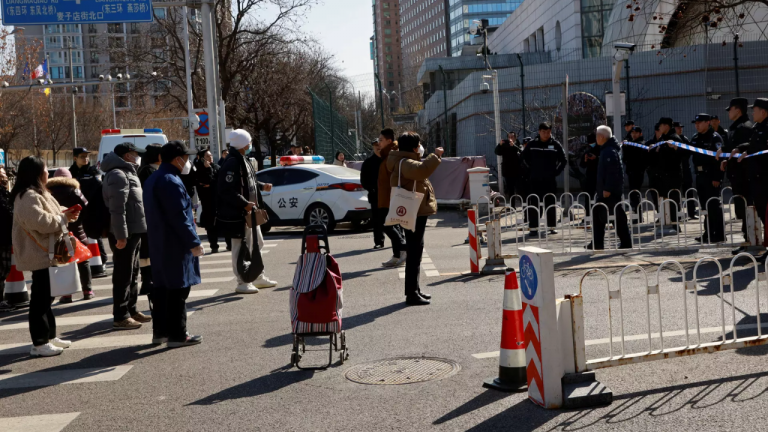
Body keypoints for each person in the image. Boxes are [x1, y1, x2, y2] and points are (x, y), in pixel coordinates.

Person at [11, 156, 80, 357]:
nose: (48, 172)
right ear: (36, 173)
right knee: (40, 300)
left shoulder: (38, 193)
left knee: (47, 297)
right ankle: (39, 343)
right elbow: (41, 222)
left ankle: (49, 336)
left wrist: (67, 214)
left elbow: (54, 215)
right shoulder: (28, 196)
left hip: (47, 252)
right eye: (46, 169)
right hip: (39, 252)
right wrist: (64, 218)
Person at [143, 141, 203, 348]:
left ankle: (160, 332)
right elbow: (179, 217)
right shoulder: (170, 180)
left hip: (160, 242)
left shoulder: (154, 178)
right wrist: (194, 242)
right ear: (177, 158)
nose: (187, 162)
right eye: (185, 158)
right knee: (178, 290)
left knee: (161, 289)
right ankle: (178, 334)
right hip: (174, 244)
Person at [217, 129, 277, 293]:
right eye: (249, 142)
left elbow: (248, 182)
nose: (250, 145)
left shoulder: (242, 159)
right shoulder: (232, 162)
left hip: (249, 212)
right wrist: (244, 203)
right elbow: (226, 190)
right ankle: (242, 281)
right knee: (240, 247)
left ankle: (257, 276)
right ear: (243, 144)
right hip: (239, 214)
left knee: (257, 243)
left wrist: (261, 186)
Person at [387, 132, 443, 306]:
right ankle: (412, 293)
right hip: (414, 211)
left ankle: (414, 290)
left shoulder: (403, 160)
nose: (420, 147)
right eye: (418, 144)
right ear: (413, 147)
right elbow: (422, 171)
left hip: (415, 210)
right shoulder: (405, 162)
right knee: (414, 251)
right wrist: (436, 156)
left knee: (416, 250)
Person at [102, 143, 151, 330]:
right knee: (123, 274)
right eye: (135, 153)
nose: (137, 156)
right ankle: (120, 315)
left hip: (134, 230)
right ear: (127, 155)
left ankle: (131, 309)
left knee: (133, 272)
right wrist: (121, 236)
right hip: (125, 233)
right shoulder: (118, 175)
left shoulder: (129, 173)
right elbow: (117, 209)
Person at [47, 168, 95, 304]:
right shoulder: (76, 191)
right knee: (83, 261)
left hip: (58, 232)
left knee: (62, 261)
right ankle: (88, 290)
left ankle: (67, 294)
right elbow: (86, 208)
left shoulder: (49, 192)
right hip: (77, 231)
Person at [587, 126, 631, 250]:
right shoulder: (606, 149)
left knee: (617, 217)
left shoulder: (609, 151)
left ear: (601, 137)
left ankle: (626, 242)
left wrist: (608, 189)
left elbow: (613, 172)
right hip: (605, 192)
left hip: (609, 193)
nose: (596, 139)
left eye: (596, 136)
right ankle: (597, 242)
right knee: (598, 215)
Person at [730, 98, 768, 238]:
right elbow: (753, 146)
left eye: (755, 110)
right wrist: (740, 148)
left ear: (763, 112)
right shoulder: (758, 128)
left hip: (765, 178)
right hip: (757, 179)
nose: (752, 114)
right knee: (764, 216)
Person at [720, 97, 754, 254]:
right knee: (742, 209)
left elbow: (746, 153)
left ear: (738, 110)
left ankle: (751, 240)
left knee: (747, 208)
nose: (728, 112)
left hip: (745, 177)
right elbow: (732, 150)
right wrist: (727, 161)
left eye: (731, 109)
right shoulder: (735, 128)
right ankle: (748, 239)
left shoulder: (745, 128)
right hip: (737, 176)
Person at [520, 122, 567, 235]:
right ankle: (533, 228)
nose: (546, 134)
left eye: (548, 132)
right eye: (544, 132)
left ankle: (551, 226)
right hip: (535, 180)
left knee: (550, 203)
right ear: (539, 132)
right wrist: (529, 172)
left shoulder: (555, 145)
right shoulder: (532, 144)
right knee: (534, 204)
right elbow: (522, 159)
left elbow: (563, 160)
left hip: (549, 180)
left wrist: (555, 172)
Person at [689, 114, 725, 243]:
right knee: (705, 207)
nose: (697, 125)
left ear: (707, 122)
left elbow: (719, 159)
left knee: (714, 205)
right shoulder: (695, 137)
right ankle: (708, 232)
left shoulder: (714, 138)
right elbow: (687, 151)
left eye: (699, 122)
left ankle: (719, 234)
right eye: (696, 123)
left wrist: (717, 177)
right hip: (700, 176)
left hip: (711, 177)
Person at [376, 129, 407, 267]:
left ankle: (403, 248)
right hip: (385, 197)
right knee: (390, 225)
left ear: (389, 141)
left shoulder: (391, 155)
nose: (378, 142)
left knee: (387, 225)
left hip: (390, 198)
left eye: (381, 140)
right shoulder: (386, 155)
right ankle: (397, 255)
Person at [137, 144, 163, 294]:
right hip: (150, 218)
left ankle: (148, 281)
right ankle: (148, 281)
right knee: (148, 252)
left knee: (147, 252)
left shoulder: (146, 170)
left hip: (147, 218)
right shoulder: (149, 171)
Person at [654, 117, 684, 228]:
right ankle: (669, 222)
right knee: (665, 199)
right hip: (664, 174)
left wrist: (675, 148)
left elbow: (682, 153)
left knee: (673, 200)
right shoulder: (663, 138)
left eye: (661, 125)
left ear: (666, 126)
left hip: (673, 175)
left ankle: (676, 224)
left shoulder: (674, 138)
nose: (659, 127)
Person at [79, 165, 109, 273]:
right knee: (97, 240)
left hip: (85, 218)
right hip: (98, 217)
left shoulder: (80, 184)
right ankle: (102, 261)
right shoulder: (100, 185)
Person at [195, 149, 223, 253]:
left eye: (211, 155)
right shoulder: (199, 170)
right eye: (207, 156)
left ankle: (229, 245)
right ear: (202, 158)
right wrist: (208, 170)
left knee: (223, 223)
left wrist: (211, 185)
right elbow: (205, 182)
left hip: (219, 201)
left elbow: (218, 183)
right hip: (207, 203)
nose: (210, 158)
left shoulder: (217, 167)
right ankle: (214, 246)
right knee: (211, 226)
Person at [361, 140, 385, 249]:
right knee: (377, 220)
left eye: (379, 144)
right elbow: (364, 180)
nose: (378, 147)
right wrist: (371, 189)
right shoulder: (368, 162)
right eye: (376, 145)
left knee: (394, 219)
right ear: (373, 147)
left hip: (389, 194)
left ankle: (399, 239)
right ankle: (379, 241)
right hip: (375, 195)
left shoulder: (388, 160)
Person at [674, 121, 697, 220]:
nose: (680, 129)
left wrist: (680, 151)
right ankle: (677, 214)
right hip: (676, 170)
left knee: (689, 192)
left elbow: (689, 152)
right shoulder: (672, 140)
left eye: (681, 127)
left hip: (686, 168)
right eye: (678, 128)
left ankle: (692, 212)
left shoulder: (684, 139)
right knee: (676, 193)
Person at [623, 126, 647, 221]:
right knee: (633, 194)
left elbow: (640, 157)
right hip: (631, 171)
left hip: (638, 171)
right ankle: (636, 215)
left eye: (636, 133)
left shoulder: (641, 144)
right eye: (632, 133)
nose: (634, 134)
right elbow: (626, 158)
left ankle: (638, 216)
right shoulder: (630, 143)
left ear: (640, 134)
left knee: (636, 193)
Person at [0, 167, 14, 312]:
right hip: (2, 237)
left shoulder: (5, 193)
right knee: (1, 270)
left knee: (4, 270)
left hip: (5, 237)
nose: (5, 178)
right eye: (2, 175)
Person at [494, 132, 522, 201]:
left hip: (517, 171)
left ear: (515, 138)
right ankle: (512, 207)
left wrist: (514, 146)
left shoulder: (518, 144)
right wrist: (499, 145)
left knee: (520, 189)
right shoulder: (505, 145)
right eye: (509, 137)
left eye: (512, 137)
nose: (510, 139)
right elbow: (497, 152)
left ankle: (523, 204)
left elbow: (521, 152)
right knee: (510, 189)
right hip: (508, 171)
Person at [579, 133, 600, 217]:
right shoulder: (587, 151)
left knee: (599, 197)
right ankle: (588, 215)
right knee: (588, 197)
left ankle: (599, 214)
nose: (591, 144)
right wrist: (585, 160)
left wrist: (596, 158)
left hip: (599, 176)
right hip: (590, 176)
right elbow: (582, 165)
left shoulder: (601, 149)